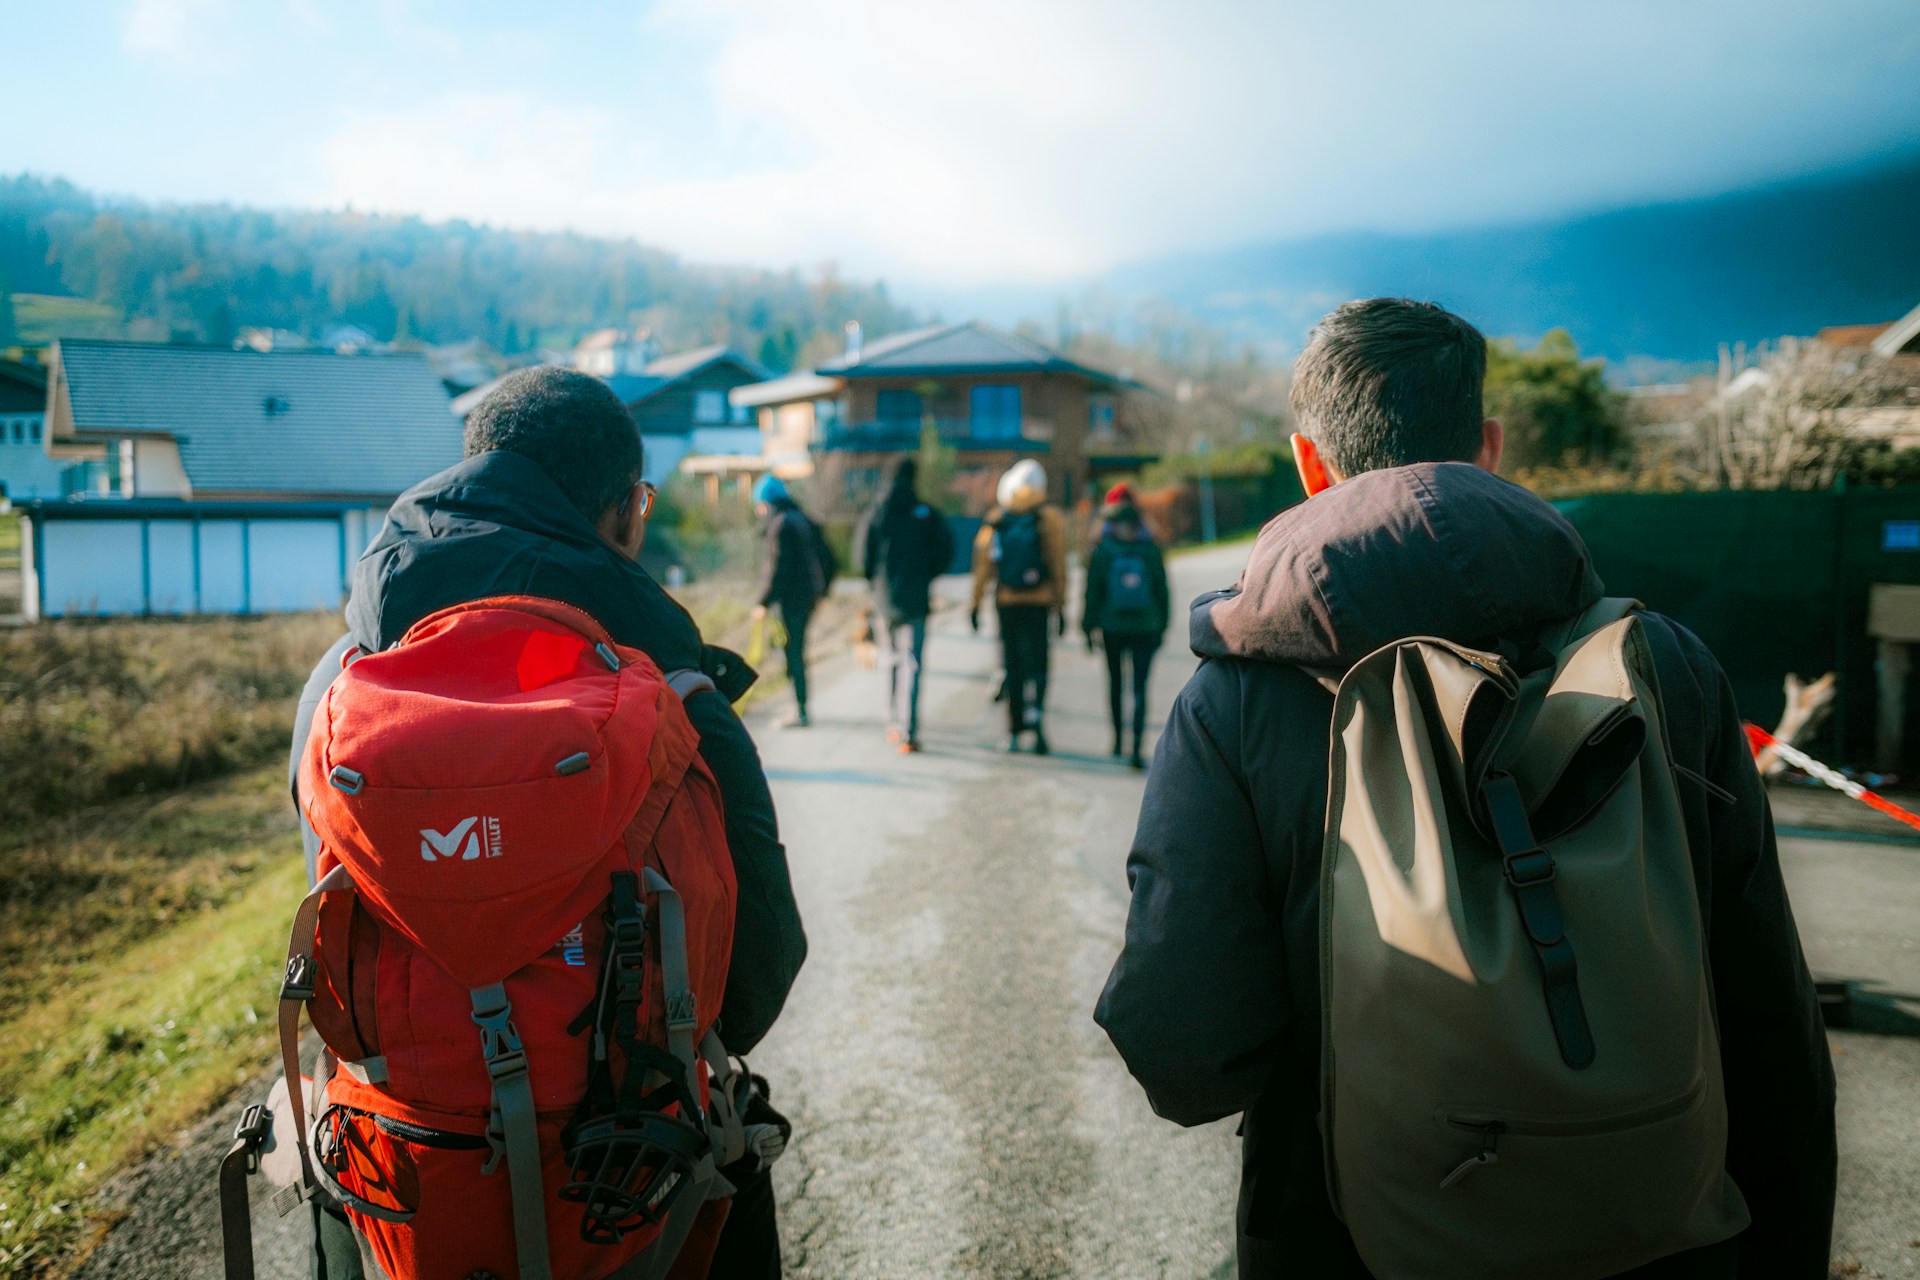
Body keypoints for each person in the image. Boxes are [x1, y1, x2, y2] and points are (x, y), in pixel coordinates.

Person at [1094, 299, 1835, 1277]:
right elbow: (1766, 1018)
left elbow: (1186, 1052)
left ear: (1308, 462)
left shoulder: (1237, 699)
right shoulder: (1668, 665)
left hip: (1346, 1236)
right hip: (1656, 1234)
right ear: (1487, 445)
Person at [289, 367, 807, 1279]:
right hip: (632, 1181)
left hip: (410, 1184)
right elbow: (763, 964)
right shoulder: (679, 694)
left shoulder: (342, 684)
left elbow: (335, 946)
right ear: (622, 517)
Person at [855, 456, 954, 753]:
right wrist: (925, 575)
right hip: (916, 600)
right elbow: (946, 551)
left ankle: (892, 724)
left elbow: (862, 557)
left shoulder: (876, 512)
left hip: (885, 599)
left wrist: (876, 583)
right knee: (912, 662)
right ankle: (909, 730)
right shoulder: (924, 513)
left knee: (891, 660)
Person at [970, 459, 1068, 754]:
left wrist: (974, 605)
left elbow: (983, 565)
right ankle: (1036, 723)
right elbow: (1058, 564)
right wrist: (1060, 605)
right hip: (1039, 603)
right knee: (1038, 665)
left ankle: (1012, 731)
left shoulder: (998, 518)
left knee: (1012, 666)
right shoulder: (1048, 518)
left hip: (1007, 602)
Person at [1081, 494, 1170, 768]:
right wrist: (1162, 625)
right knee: (1141, 687)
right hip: (1146, 626)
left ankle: (1118, 740)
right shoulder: (1151, 550)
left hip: (1112, 627)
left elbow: (1092, 592)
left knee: (1115, 684)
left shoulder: (1103, 551)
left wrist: (1087, 626)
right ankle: (1137, 747)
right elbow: (1162, 591)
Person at [752, 474, 836, 729]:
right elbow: (831, 560)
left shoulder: (780, 526)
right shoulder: (803, 519)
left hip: (792, 601)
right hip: (807, 597)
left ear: (765, 503)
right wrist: (822, 592)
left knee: (792, 652)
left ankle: (799, 710)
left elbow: (777, 569)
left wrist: (762, 603)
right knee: (793, 649)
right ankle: (798, 705)